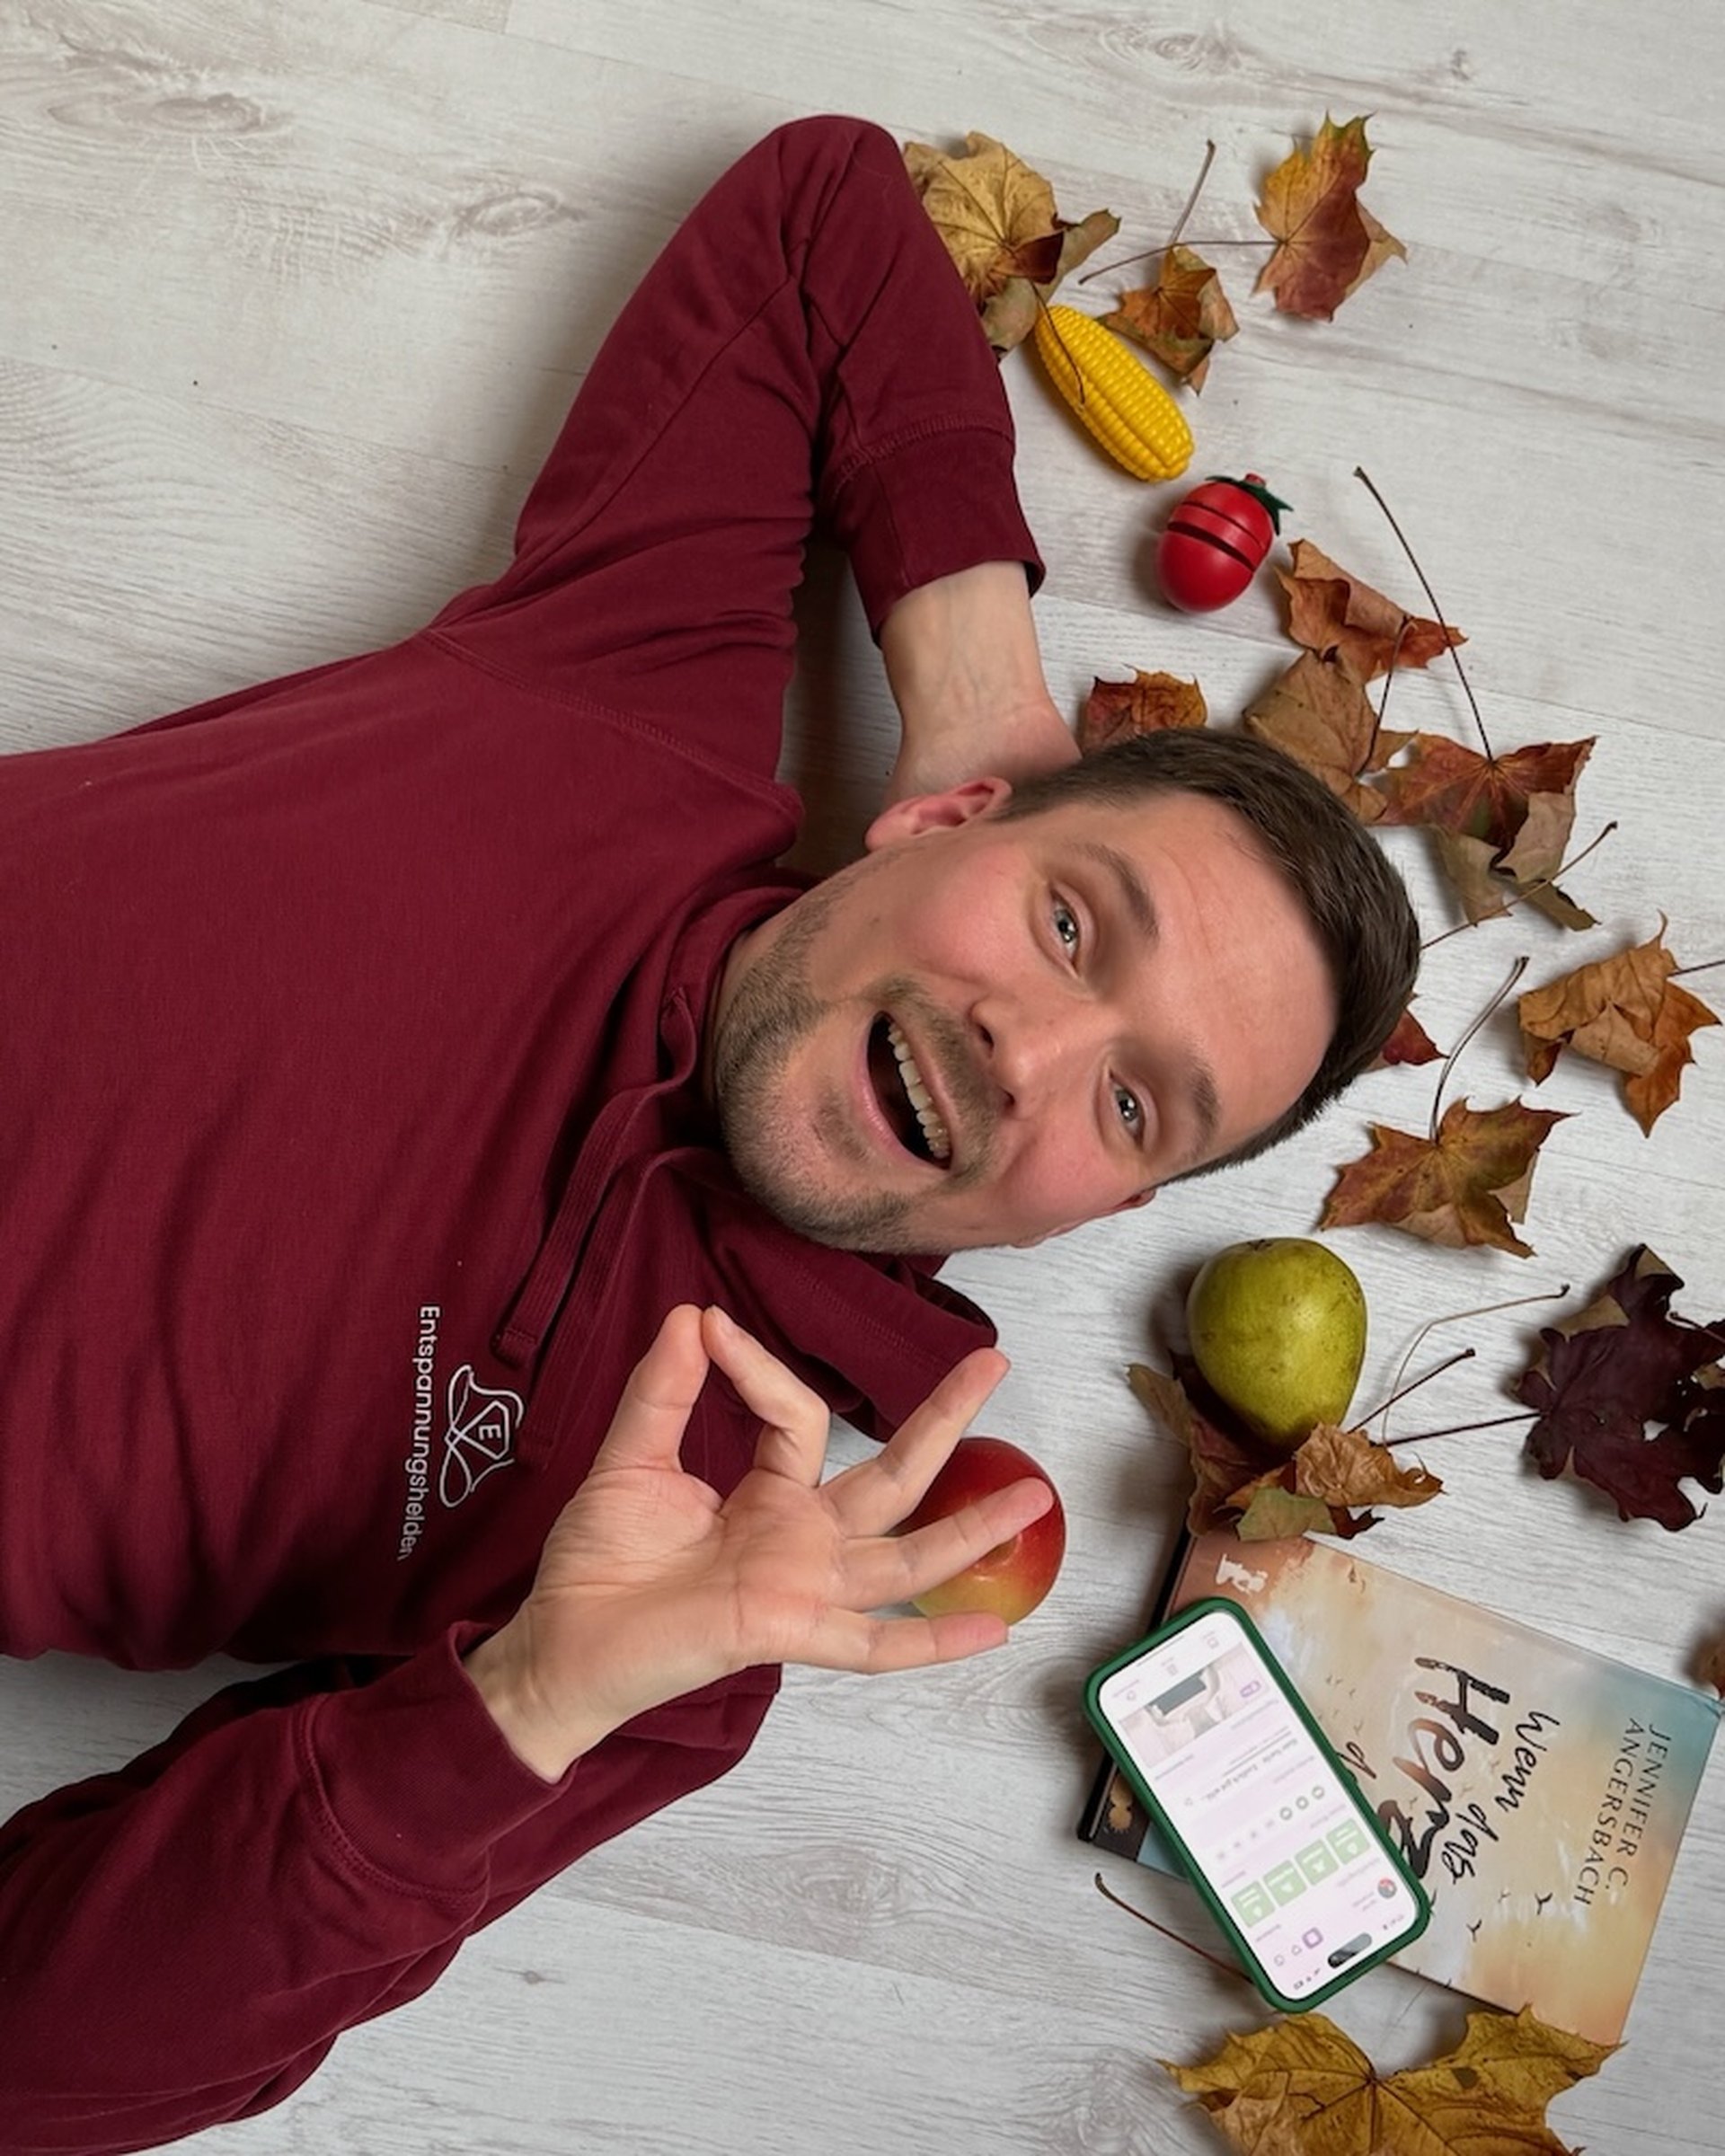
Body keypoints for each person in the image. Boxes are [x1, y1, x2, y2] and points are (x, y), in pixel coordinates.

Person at [0, 115, 1417, 2151]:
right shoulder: (625, 698)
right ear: (948, 819)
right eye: (1068, 923)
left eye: (1132, 1102)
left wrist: (526, 1708)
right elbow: (830, 206)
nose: (1029, 1056)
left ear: (1104, 1205)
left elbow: (39, 2065)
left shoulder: (707, 1592)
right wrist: (975, 705)